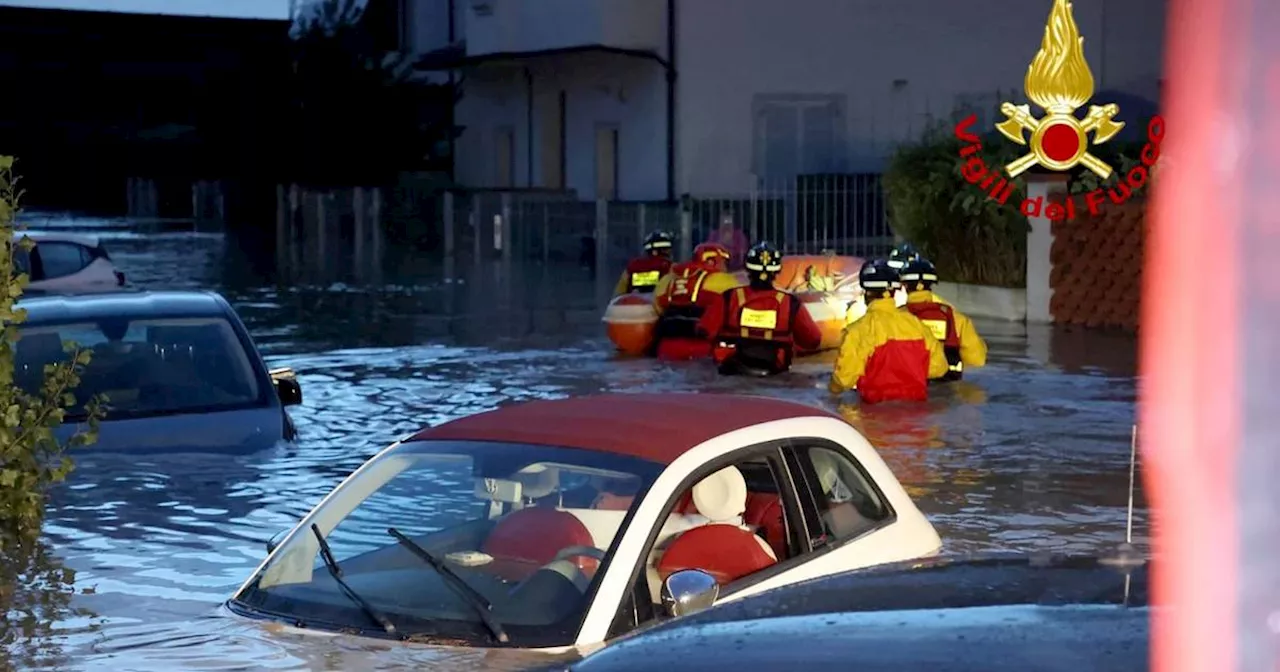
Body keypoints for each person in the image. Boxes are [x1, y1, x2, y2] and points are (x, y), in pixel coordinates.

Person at [828, 259, 948, 403]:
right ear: (894, 292)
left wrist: (831, 390)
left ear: (866, 292)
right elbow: (939, 368)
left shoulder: (857, 331)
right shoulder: (917, 325)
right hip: (918, 415)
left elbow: (844, 380)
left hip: (873, 414)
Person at [697, 241, 823, 375]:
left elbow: (704, 330)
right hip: (774, 373)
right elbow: (813, 340)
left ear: (747, 269)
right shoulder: (790, 303)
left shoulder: (729, 298)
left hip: (732, 372)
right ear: (777, 272)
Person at [899, 257, 988, 381]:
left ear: (904, 285)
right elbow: (977, 360)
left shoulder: (895, 318)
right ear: (931, 284)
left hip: (909, 385)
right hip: (949, 387)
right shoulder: (957, 319)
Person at [652, 242, 737, 360]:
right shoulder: (724, 280)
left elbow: (657, 309)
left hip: (665, 347)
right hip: (701, 348)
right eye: (724, 263)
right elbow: (736, 311)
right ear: (715, 261)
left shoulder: (667, 279)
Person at [614, 230, 675, 296]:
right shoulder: (671, 267)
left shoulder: (633, 266)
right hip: (658, 304)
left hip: (633, 304)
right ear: (664, 250)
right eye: (668, 249)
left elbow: (618, 294)